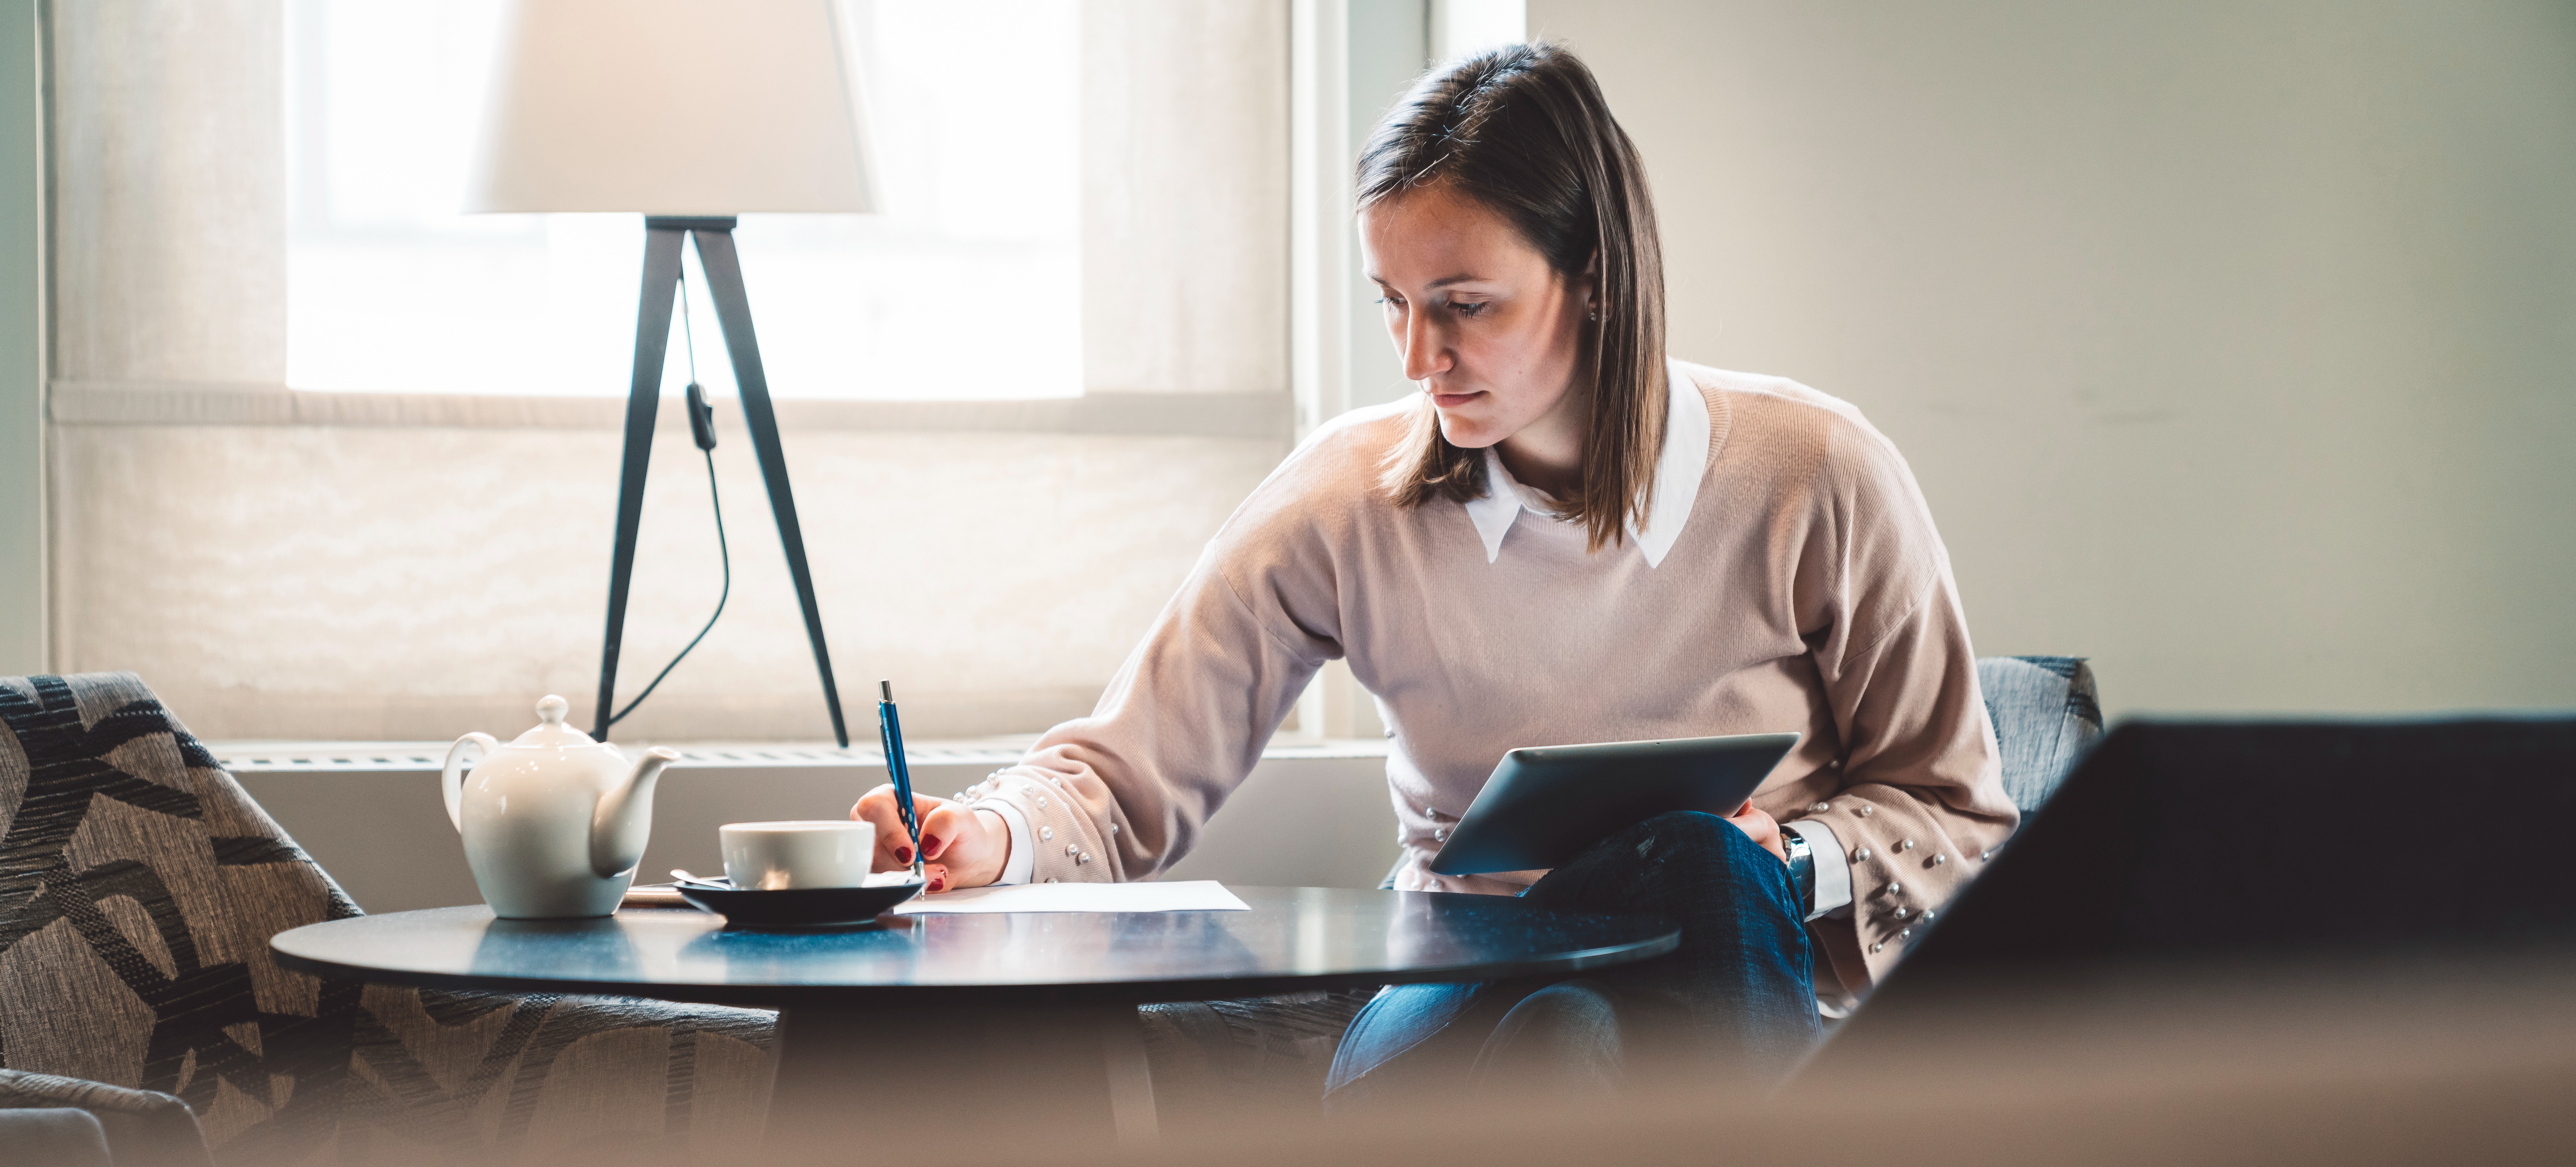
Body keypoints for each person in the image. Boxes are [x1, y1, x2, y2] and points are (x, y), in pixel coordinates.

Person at [851, 42, 2016, 1104]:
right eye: (1394, 305)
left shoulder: (1817, 474)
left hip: (1731, 969)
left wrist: (1793, 858)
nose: (1420, 357)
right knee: (1632, 931)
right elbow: (1124, 773)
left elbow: (1960, 819)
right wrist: (987, 831)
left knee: (1652, 933)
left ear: (1596, 276)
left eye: (1465, 306)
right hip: (1450, 995)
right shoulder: (1348, 498)